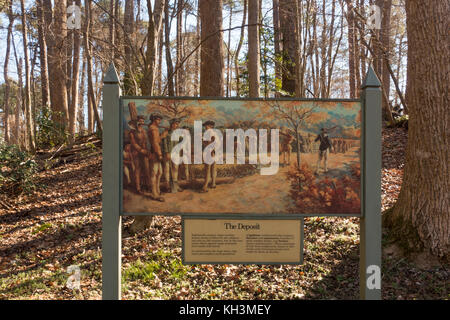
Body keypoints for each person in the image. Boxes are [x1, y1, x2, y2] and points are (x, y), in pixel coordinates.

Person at [147, 113, 168, 201]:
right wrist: (159, 154)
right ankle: (154, 194)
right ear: (153, 120)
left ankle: (157, 190)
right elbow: (155, 143)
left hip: (156, 152)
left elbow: (157, 140)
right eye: (158, 120)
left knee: (159, 172)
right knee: (154, 173)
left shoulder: (154, 128)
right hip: (154, 153)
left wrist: (163, 134)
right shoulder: (153, 129)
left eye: (160, 120)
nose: (159, 121)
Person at [129, 116, 150, 194]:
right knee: (138, 170)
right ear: (137, 122)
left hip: (144, 153)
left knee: (146, 169)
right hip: (136, 153)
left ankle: (147, 186)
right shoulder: (132, 132)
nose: (141, 123)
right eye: (140, 121)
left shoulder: (144, 131)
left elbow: (145, 142)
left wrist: (146, 150)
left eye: (143, 121)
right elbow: (133, 143)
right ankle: (138, 188)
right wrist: (141, 150)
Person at [162, 118, 183, 192]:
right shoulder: (166, 132)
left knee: (175, 169)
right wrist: (167, 152)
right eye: (175, 124)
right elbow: (164, 143)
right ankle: (167, 186)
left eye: (177, 124)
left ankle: (175, 185)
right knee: (167, 169)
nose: (176, 125)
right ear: (172, 124)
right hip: (167, 153)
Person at [200, 120, 217, 193]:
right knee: (213, 168)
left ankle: (205, 186)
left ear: (211, 126)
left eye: (207, 125)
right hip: (214, 152)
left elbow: (208, 143)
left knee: (207, 170)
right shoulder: (214, 133)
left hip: (209, 152)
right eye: (205, 126)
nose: (205, 127)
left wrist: (201, 139)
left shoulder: (209, 133)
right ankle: (213, 183)